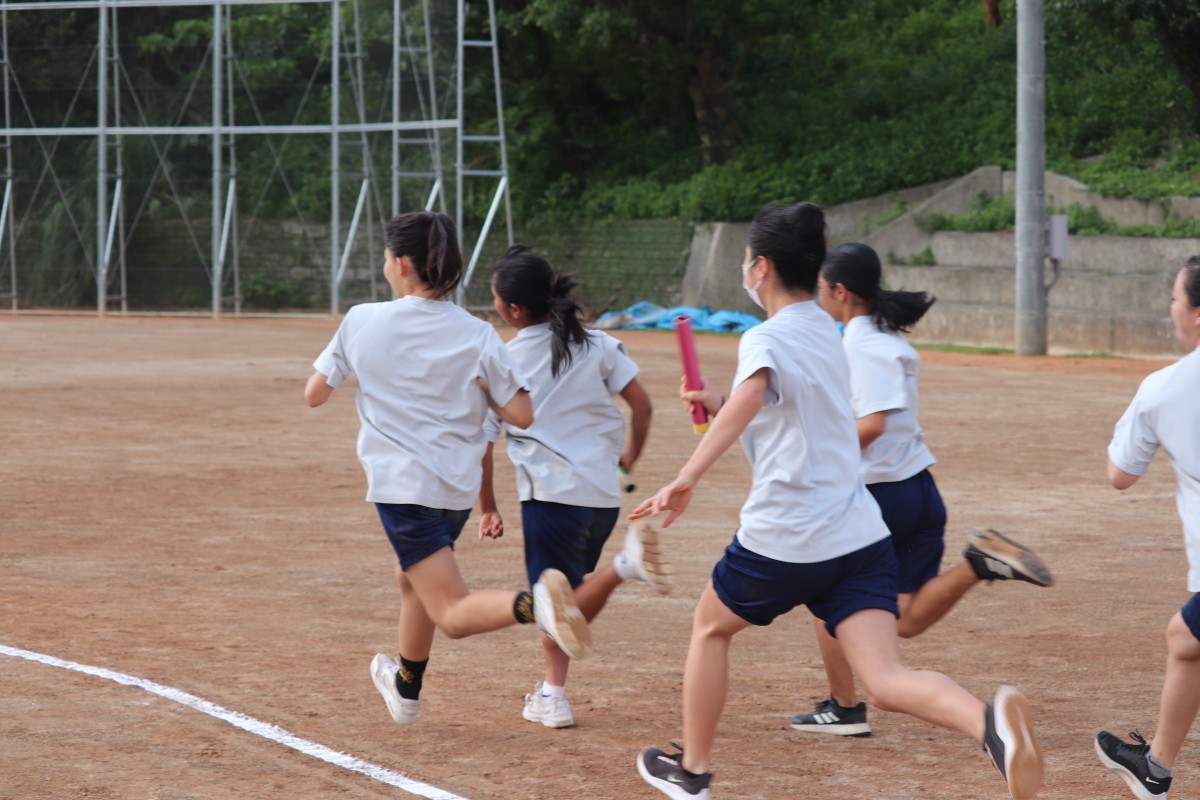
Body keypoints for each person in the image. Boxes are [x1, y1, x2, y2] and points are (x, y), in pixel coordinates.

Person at [630, 201, 1044, 800]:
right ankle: (989, 725)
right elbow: (782, 406)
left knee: (709, 629)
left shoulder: (766, 337)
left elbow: (756, 397)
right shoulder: (830, 330)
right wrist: (720, 402)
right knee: (883, 679)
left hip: (787, 534)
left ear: (761, 267)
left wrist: (688, 473)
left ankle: (691, 772)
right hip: (858, 531)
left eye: (747, 260)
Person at [304, 211, 592, 727]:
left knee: (452, 612)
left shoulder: (362, 319)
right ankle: (406, 692)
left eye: (389, 258)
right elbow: (522, 414)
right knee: (412, 579)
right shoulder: (478, 334)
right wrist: (482, 384)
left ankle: (539, 607)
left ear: (402, 264)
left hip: (403, 489)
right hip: (454, 492)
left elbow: (314, 394)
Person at [790, 242, 1055, 737]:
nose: (819, 296)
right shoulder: (888, 340)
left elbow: (872, 425)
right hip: (917, 491)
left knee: (826, 596)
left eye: (822, 289)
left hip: (879, 498)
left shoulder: (860, 347)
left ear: (841, 292)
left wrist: (813, 454)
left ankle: (844, 707)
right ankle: (979, 562)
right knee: (905, 618)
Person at [480, 245, 668, 729]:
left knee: (552, 599)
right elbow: (643, 406)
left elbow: (483, 442)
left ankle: (555, 695)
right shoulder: (597, 343)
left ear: (513, 309)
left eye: (496, 299)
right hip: (602, 496)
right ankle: (551, 690)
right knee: (569, 597)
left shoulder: (502, 359)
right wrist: (629, 457)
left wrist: (488, 506)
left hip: (551, 495)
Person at [1096, 255, 1200, 800]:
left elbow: (1120, 475)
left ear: (1198, 314)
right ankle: (1156, 765)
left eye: (1176, 300)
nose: (1172, 310)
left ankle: (1156, 766)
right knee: (1186, 638)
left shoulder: (1164, 388)